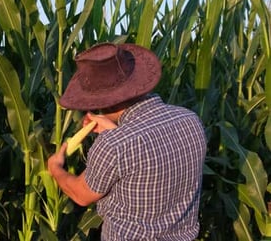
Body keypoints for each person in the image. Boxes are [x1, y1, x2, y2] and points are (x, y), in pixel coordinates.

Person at [48, 43, 206, 240]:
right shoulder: (190, 120)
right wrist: (116, 130)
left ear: (101, 102)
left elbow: (81, 195)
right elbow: (146, 159)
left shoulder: (113, 145)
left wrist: (55, 168)